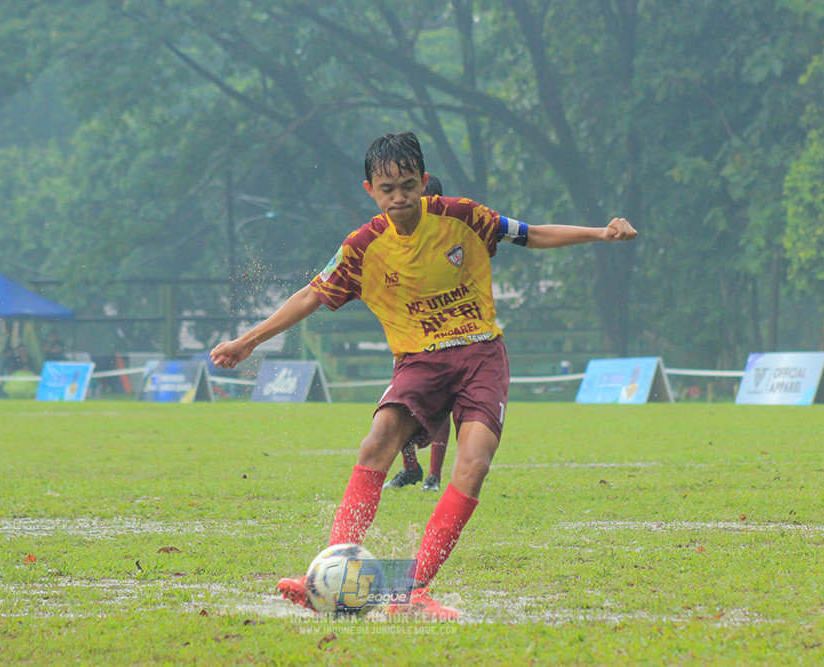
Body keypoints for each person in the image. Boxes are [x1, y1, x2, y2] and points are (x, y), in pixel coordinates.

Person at [210, 132, 636, 619]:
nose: (399, 197)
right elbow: (310, 295)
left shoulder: (463, 217)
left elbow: (532, 234)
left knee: (474, 463)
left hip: (481, 355)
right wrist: (249, 341)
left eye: (408, 185)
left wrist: (601, 233)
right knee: (376, 442)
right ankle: (328, 575)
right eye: (387, 189)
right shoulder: (362, 248)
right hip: (419, 361)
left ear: (423, 181)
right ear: (370, 190)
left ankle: (411, 591)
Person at [384, 172, 449, 493]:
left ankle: (433, 476)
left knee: (442, 406)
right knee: (401, 403)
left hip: (446, 337)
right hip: (409, 337)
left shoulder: (448, 237)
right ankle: (411, 467)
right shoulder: (395, 238)